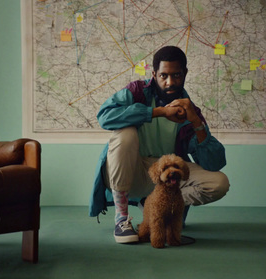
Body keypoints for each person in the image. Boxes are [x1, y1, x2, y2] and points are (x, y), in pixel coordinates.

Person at [89, 46, 230, 244]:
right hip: (133, 171)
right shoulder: (137, 92)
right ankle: (122, 218)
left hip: (167, 181)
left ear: (185, 74)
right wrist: (157, 112)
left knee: (219, 183)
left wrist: (196, 122)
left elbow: (214, 163)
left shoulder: (189, 110)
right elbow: (104, 116)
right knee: (125, 133)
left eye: (176, 75)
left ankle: (155, 204)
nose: (170, 82)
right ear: (154, 74)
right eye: (163, 75)